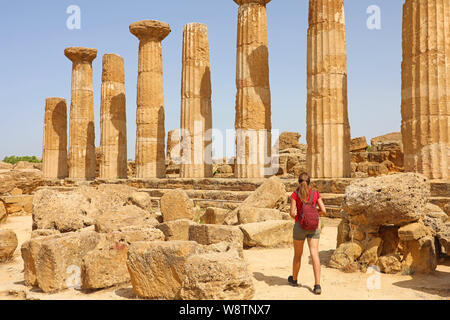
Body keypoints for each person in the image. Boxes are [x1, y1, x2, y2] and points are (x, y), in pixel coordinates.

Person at [288, 172, 327, 295]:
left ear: (298, 182)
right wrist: (315, 214)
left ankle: (294, 279)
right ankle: (317, 285)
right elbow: (323, 210)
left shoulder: (295, 194)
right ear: (310, 182)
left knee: (298, 255)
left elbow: (292, 213)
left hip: (300, 226)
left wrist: (300, 217)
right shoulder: (315, 193)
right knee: (314, 253)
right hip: (313, 226)